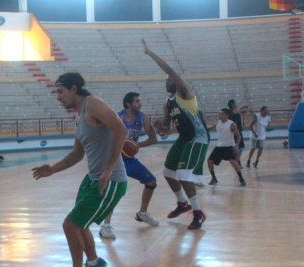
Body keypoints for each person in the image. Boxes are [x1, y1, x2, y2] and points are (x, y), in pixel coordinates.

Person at [32, 72, 128, 267]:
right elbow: (77, 154)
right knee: (80, 224)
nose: (58, 97)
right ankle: (93, 262)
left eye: (60, 91)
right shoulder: (79, 116)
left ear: (74, 89)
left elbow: (120, 129)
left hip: (110, 181)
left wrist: (109, 168)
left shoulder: (92, 104)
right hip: (93, 179)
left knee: (70, 225)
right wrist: (52, 169)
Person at [142, 39, 209, 230]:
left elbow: (170, 70)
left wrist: (150, 53)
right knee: (167, 172)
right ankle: (182, 203)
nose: (167, 81)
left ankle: (198, 212)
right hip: (183, 138)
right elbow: (166, 125)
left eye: (170, 79)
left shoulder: (185, 93)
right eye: (166, 81)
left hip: (198, 138)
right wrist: (159, 127)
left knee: (183, 175)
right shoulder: (167, 103)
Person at [99, 92, 159, 240]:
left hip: (130, 159)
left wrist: (137, 145)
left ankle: (142, 213)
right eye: (137, 101)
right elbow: (104, 137)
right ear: (128, 104)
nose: (140, 104)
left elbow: (153, 139)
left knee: (151, 181)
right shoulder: (116, 117)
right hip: (115, 159)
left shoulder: (143, 118)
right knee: (115, 190)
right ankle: (105, 226)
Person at [207, 108, 247, 186]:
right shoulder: (217, 123)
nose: (220, 115)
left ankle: (241, 178)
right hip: (219, 146)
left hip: (229, 146)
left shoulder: (231, 124)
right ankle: (214, 178)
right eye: (219, 114)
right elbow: (209, 129)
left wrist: (236, 145)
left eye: (222, 114)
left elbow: (238, 136)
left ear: (227, 115)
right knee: (209, 161)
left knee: (233, 162)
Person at [227, 99, 250, 168]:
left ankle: (237, 160)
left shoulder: (233, 111)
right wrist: (245, 109)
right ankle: (236, 161)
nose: (236, 104)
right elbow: (241, 111)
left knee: (240, 147)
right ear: (232, 104)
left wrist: (242, 107)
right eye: (235, 103)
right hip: (235, 132)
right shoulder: (232, 111)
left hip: (237, 131)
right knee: (238, 147)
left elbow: (239, 110)